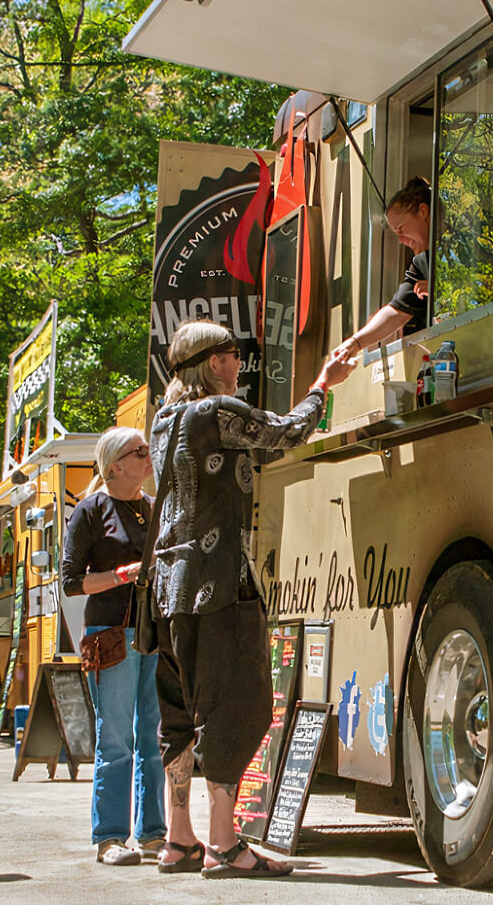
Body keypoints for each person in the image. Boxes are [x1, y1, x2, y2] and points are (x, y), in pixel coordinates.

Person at [148, 321, 353, 877]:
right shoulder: (213, 412)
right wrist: (323, 385)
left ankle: (178, 838)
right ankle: (223, 843)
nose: (240, 364)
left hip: (168, 591)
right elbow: (285, 433)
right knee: (238, 706)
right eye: (234, 355)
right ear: (212, 363)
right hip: (217, 584)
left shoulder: (163, 421)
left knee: (182, 715)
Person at [62, 428, 166, 865]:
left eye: (148, 450)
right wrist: (123, 574)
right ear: (113, 466)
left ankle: (155, 834)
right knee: (117, 737)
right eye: (138, 452)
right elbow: (70, 582)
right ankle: (109, 837)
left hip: (154, 631)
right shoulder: (90, 510)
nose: (147, 457)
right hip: (112, 634)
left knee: (154, 736)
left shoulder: (153, 509)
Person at [330, 177, 434, 360]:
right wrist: (355, 343)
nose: (401, 241)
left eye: (401, 228)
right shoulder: (421, 264)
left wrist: (438, 291)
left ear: (423, 212)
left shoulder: (458, 246)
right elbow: (396, 311)